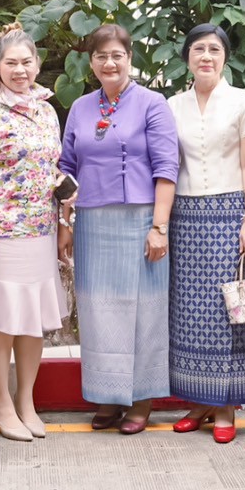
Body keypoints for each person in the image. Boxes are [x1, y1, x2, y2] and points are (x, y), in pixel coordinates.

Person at [60, 24, 180, 435]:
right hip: (92, 223)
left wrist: (159, 227)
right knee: (98, 310)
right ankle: (108, 396)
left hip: (140, 220)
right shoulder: (80, 107)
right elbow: (66, 167)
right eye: (101, 56)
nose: (109, 63)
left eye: (117, 55)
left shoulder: (152, 103)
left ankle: (141, 399)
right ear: (91, 62)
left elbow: (167, 168)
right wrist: (65, 219)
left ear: (129, 58)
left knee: (144, 309)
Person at [0, 24, 69, 442]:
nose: (20, 70)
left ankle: (26, 401)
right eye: (11, 63)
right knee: (0, 321)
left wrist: (63, 218)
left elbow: (50, 170)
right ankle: (0, 401)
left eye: (26, 62)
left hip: (39, 230)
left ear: (36, 64)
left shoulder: (46, 110)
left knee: (32, 321)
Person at [166, 24, 245, 443]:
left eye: (214, 49)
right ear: (187, 57)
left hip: (229, 213)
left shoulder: (243, 101)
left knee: (227, 309)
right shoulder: (172, 105)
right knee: (188, 312)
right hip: (185, 216)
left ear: (225, 57)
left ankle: (225, 406)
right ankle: (200, 401)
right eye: (198, 49)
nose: (206, 56)